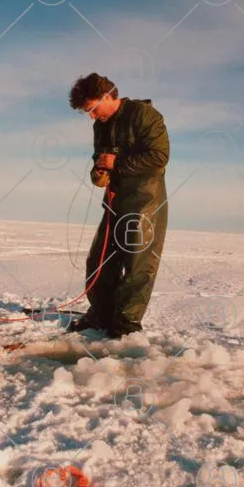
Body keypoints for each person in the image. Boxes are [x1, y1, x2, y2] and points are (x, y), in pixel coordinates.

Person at [67, 72, 170, 339]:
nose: (91, 116)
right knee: (99, 260)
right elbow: (99, 159)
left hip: (145, 201)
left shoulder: (144, 115)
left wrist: (118, 163)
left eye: (92, 109)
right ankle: (101, 315)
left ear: (106, 96)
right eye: (87, 112)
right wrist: (99, 173)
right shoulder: (100, 125)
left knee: (138, 264)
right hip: (114, 202)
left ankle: (126, 325)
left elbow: (159, 157)